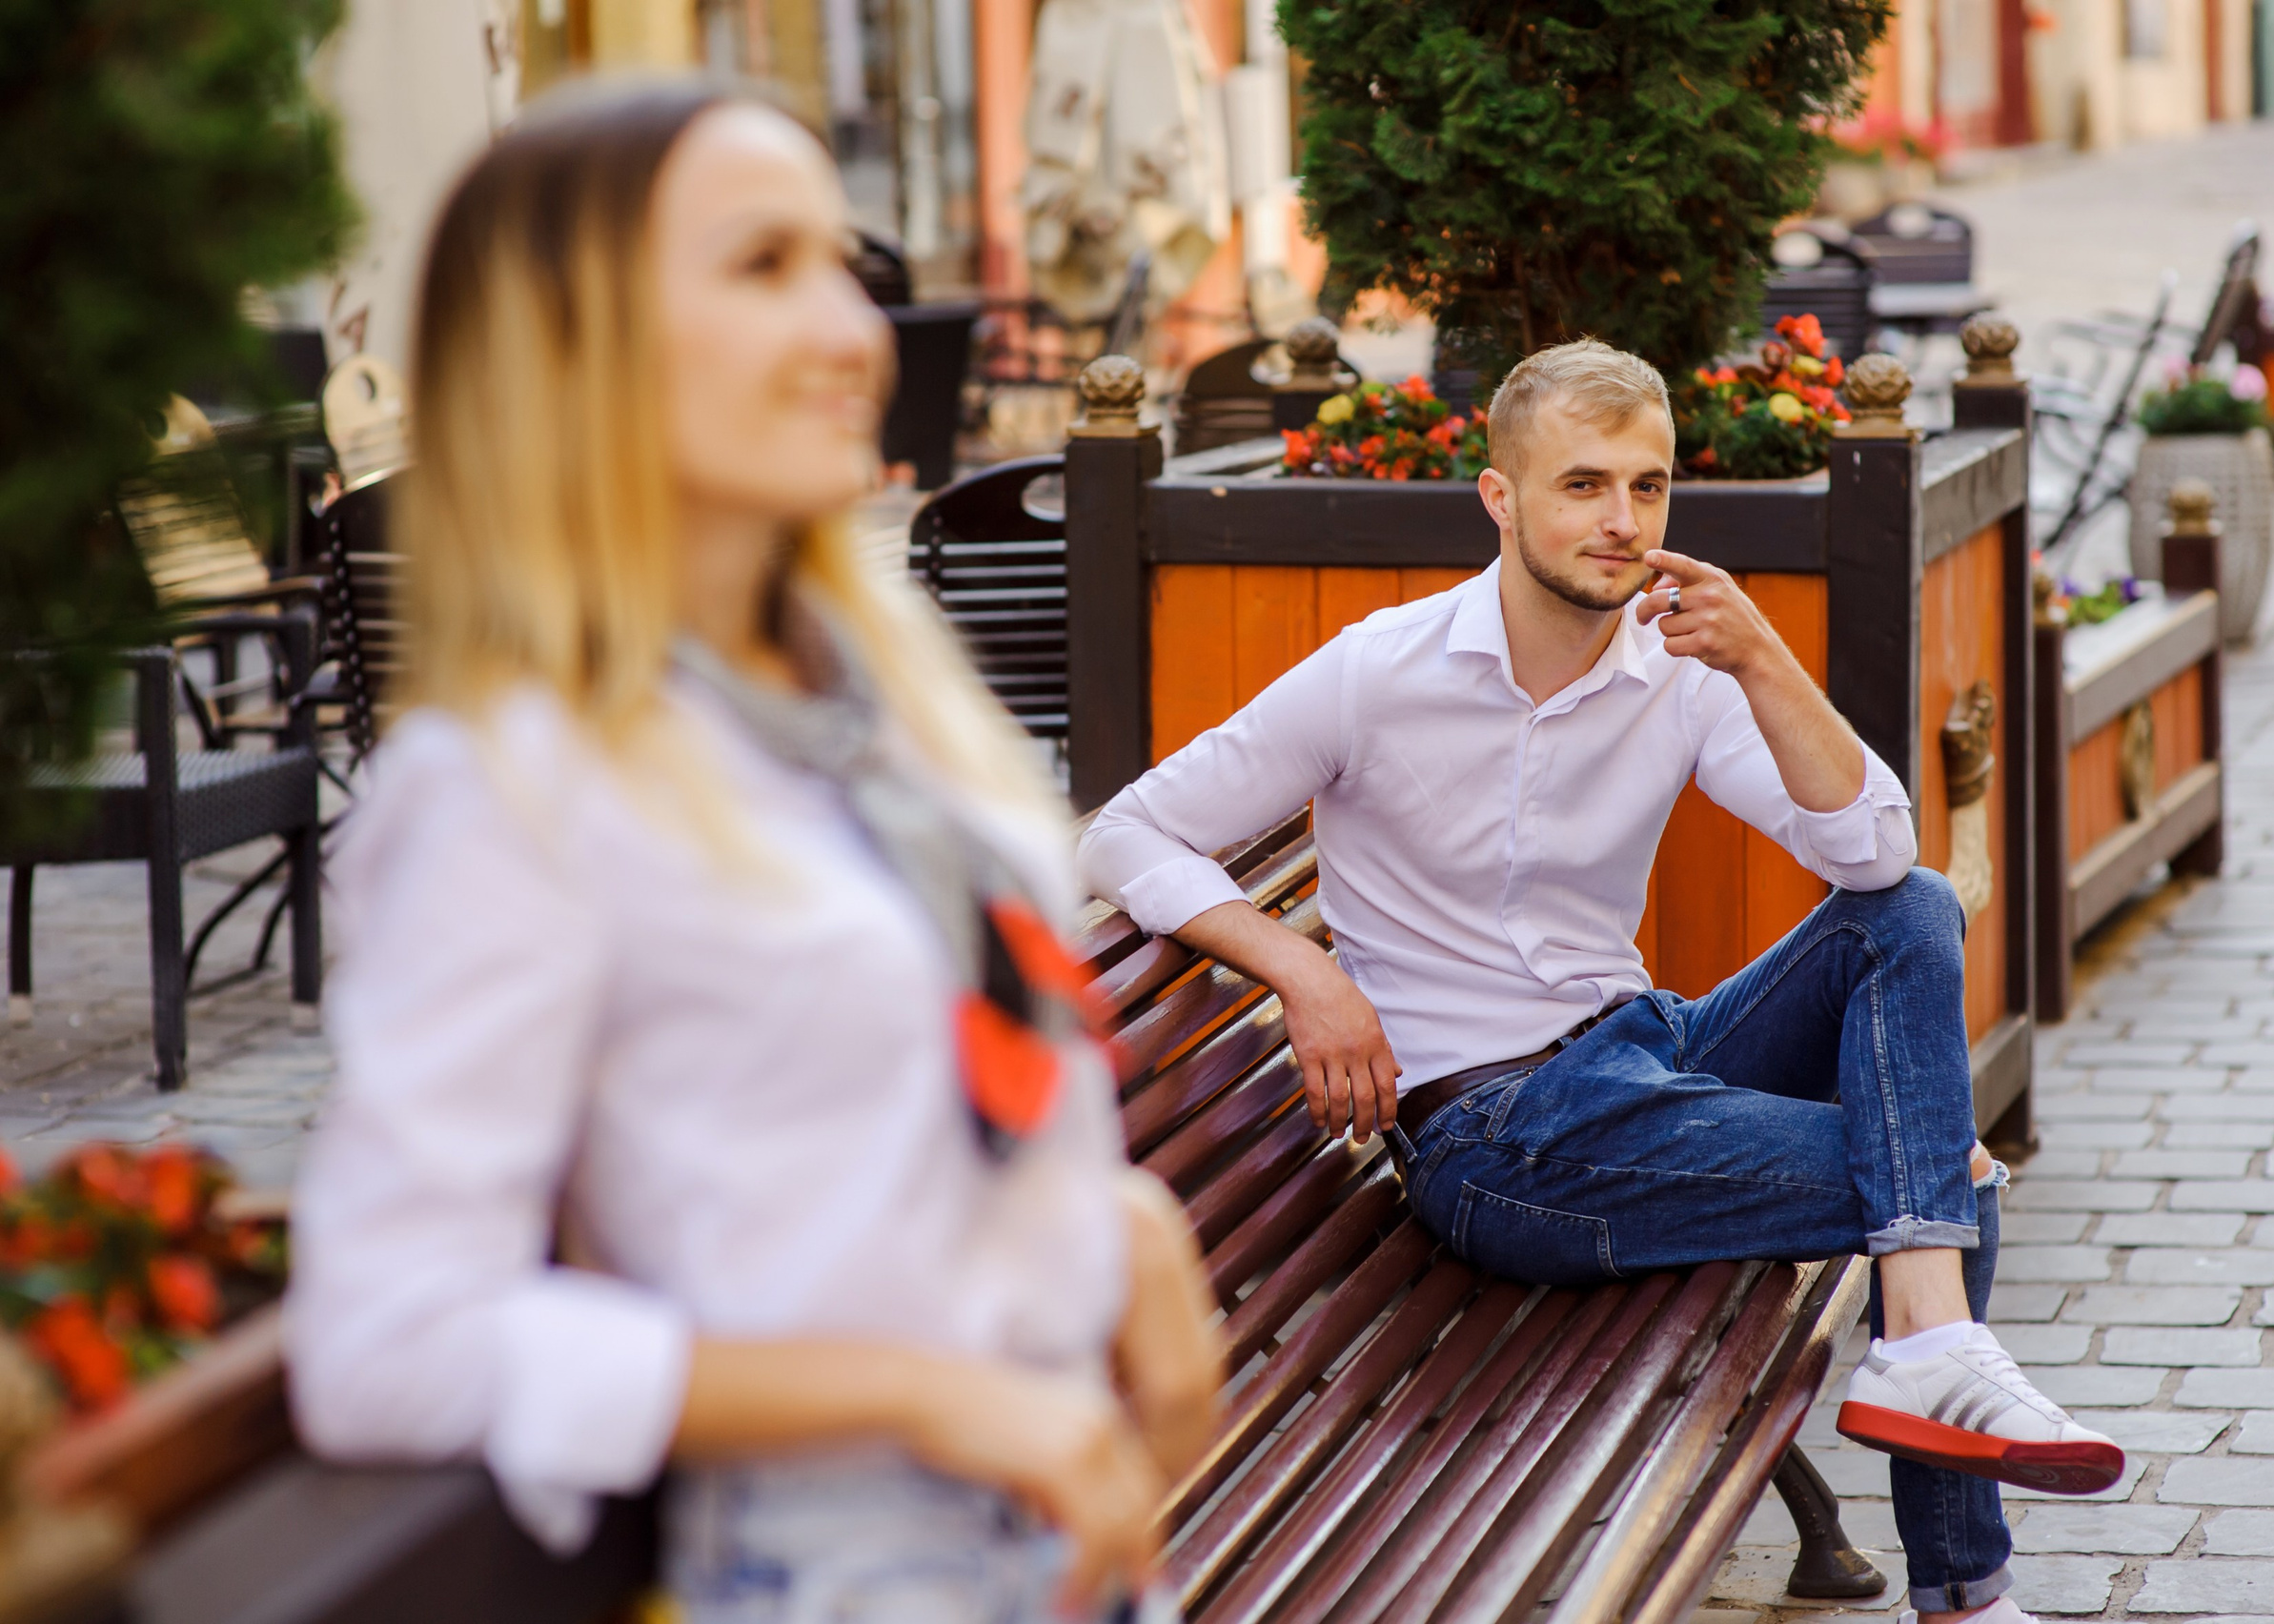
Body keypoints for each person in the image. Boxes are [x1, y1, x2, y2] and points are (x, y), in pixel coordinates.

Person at [283, 78, 1221, 1624]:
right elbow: (390, 1341)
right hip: (841, 1565)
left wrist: (1110, 1222)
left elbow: (869, 1112)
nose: (856, 334)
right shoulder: (512, 787)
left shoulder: (881, 710)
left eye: (845, 270)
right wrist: (925, 1396)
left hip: (1067, 1535)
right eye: (761, 267)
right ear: (570, 344)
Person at [1077, 339, 2121, 1624]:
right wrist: (1303, 966)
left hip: (1644, 1053)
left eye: (1649, 487)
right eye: (1582, 485)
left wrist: (1765, 663)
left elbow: (1878, 853)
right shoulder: (1376, 672)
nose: (1623, 523)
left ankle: (1922, 1347)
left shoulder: (1678, 666)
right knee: (1943, 1175)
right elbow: (1124, 832)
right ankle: (1963, 1572)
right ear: (1500, 499)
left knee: (1897, 917)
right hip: (1498, 1138)